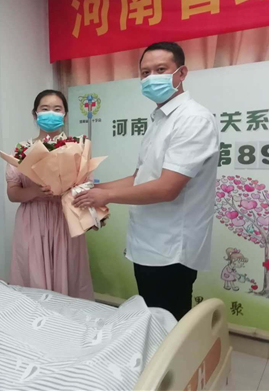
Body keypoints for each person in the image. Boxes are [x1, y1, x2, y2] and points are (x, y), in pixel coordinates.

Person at [73, 42, 219, 320]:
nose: (152, 77)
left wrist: (104, 196)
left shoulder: (193, 119)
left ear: (181, 73)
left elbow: (167, 188)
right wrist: (94, 188)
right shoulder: (159, 120)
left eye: (161, 70)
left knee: (169, 324)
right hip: (149, 243)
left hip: (171, 248)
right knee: (153, 318)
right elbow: (140, 177)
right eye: (145, 72)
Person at [6, 90, 94, 300]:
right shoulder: (22, 151)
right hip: (33, 221)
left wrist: (68, 189)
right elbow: (12, 193)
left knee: (69, 272)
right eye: (45, 109)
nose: (51, 113)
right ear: (35, 114)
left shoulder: (77, 149)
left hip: (64, 220)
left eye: (57, 109)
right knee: (33, 272)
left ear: (65, 114)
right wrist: (35, 191)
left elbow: (86, 186)